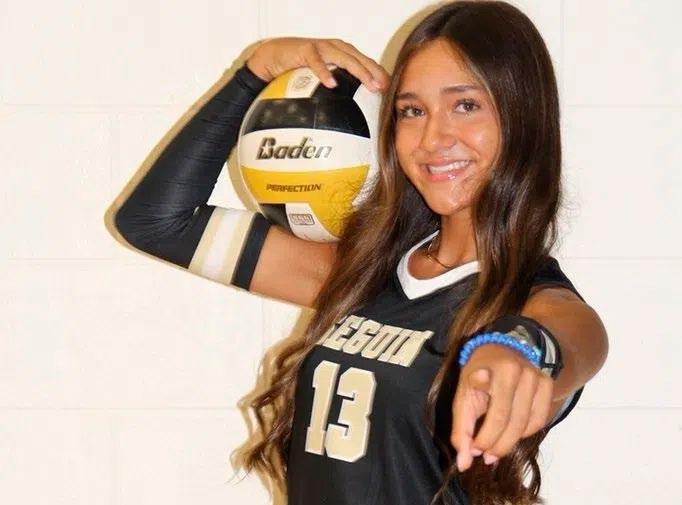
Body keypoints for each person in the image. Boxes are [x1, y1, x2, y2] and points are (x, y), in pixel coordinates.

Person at [110, 1, 609, 504]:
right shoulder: (366, 272)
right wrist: (254, 72)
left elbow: (578, 337)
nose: (432, 138)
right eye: (412, 111)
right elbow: (155, 221)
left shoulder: (530, 300)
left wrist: (518, 350)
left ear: (524, 117)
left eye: (465, 105)